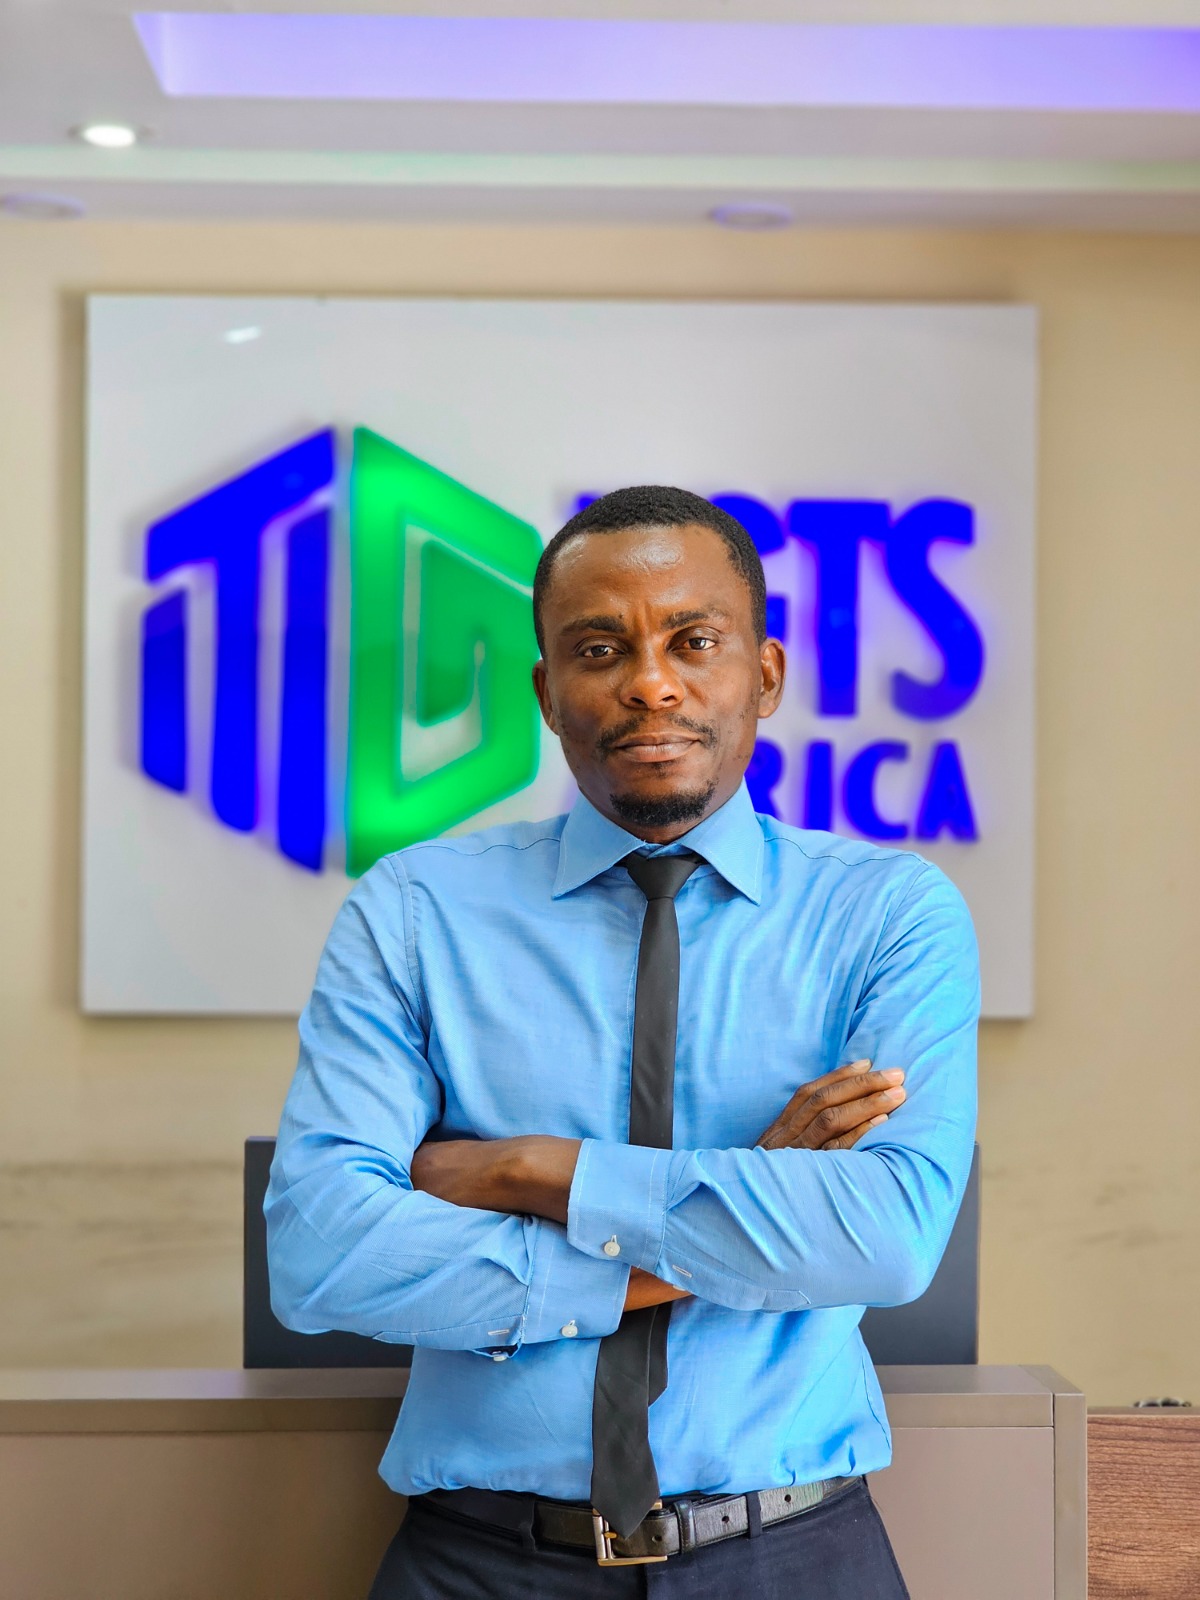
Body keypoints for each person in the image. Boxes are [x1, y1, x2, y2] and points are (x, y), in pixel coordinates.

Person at [266, 485, 979, 1598]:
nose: (651, 682)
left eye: (695, 641)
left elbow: (885, 1238)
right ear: (549, 693)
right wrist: (748, 1199)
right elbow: (321, 1254)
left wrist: (527, 1170)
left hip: (792, 1557)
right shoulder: (414, 913)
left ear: (766, 675)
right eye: (600, 649)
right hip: (481, 1564)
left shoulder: (888, 913)